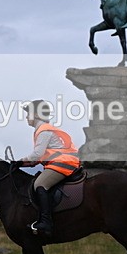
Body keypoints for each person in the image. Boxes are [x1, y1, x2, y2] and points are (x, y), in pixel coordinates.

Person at [17, 100, 81, 236]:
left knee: (40, 184)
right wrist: (22, 164)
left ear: (35, 114)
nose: (26, 117)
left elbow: (36, 155)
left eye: (28, 114)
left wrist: (20, 161)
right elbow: (39, 158)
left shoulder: (43, 130)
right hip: (63, 161)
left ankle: (46, 223)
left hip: (63, 162)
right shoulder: (43, 129)